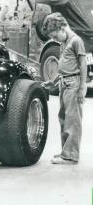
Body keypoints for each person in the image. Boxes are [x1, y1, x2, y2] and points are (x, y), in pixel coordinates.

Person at [41, 12, 87, 165]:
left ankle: (71, 155)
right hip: (63, 83)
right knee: (63, 119)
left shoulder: (76, 41)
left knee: (73, 121)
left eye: (54, 36)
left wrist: (82, 88)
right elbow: (63, 67)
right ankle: (65, 152)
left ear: (61, 28)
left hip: (73, 84)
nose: (54, 39)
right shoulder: (63, 43)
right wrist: (52, 82)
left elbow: (82, 65)